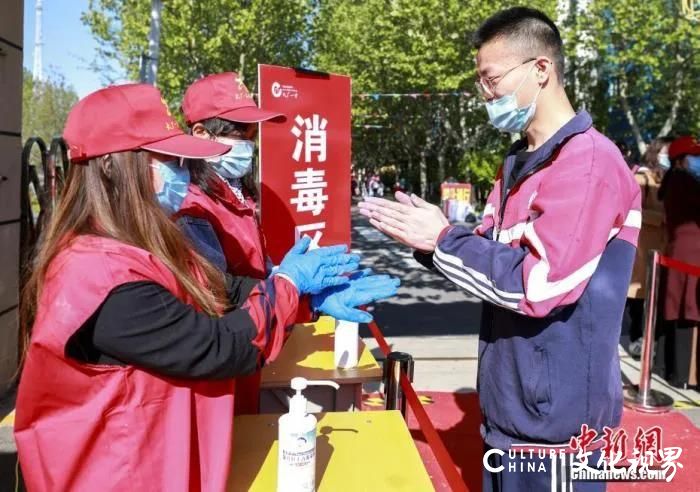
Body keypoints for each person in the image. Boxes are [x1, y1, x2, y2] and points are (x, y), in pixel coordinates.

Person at [14, 83, 398, 491]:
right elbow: (216, 347)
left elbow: (218, 288)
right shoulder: (95, 273)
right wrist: (287, 283)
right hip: (121, 473)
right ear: (114, 165)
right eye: (170, 159)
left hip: (165, 461)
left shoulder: (136, 246)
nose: (182, 171)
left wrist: (309, 298)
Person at [359, 7, 641, 491]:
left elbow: (541, 284)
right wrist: (432, 244)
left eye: (491, 80)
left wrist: (442, 240)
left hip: (558, 425)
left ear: (541, 69)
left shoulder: (587, 163)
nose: (485, 95)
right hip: (511, 407)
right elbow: (490, 255)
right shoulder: (518, 161)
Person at [177, 72, 388, 415]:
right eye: (240, 131)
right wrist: (291, 284)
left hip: (253, 356)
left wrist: (308, 298)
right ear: (200, 132)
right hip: (222, 374)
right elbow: (221, 293)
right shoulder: (191, 206)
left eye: (253, 131)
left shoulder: (237, 194)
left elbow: (252, 276)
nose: (251, 141)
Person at [658, 135, 700, 388]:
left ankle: (666, 368)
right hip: (692, 252)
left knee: (672, 310)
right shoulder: (686, 181)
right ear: (682, 159)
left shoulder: (673, 180)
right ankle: (684, 376)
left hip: (678, 249)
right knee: (688, 311)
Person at [625, 137, 672, 359]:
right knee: (639, 298)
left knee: (655, 298)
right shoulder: (641, 177)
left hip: (664, 249)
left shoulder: (669, 180)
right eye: (666, 152)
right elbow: (632, 210)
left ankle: (650, 343)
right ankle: (635, 341)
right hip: (643, 247)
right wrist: (663, 218)